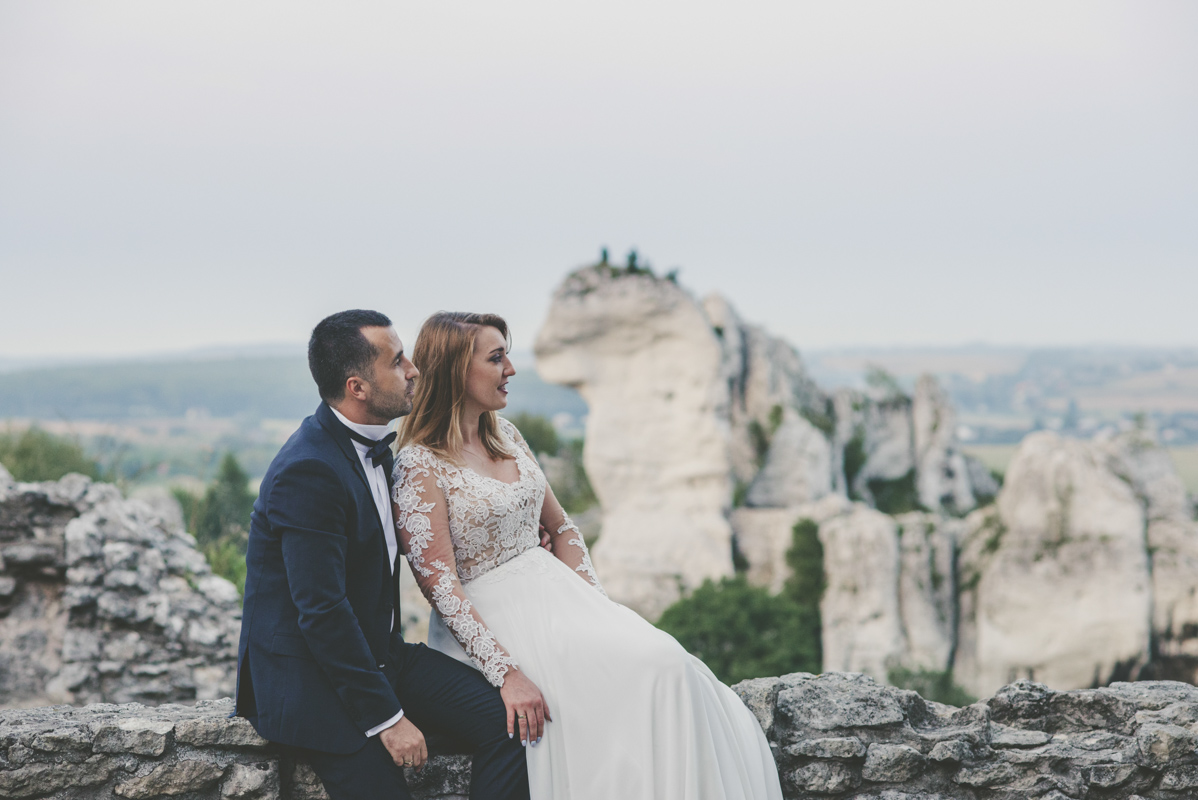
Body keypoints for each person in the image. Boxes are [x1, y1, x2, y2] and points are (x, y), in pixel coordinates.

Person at [392, 311, 784, 799]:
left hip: (562, 599)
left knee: (668, 661)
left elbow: (561, 527)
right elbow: (440, 585)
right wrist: (505, 672)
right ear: (455, 370)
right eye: (496, 358)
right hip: (495, 622)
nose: (510, 369)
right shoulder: (419, 464)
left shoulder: (506, 434)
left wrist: (594, 605)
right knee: (652, 669)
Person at [234, 309, 530, 800]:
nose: (414, 370)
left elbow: (428, 538)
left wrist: (518, 540)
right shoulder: (308, 471)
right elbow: (322, 612)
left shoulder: (377, 451)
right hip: (312, 679)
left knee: (513, 722)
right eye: (397, 362)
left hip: (381, 654)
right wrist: (388, 718)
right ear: (358, 388)